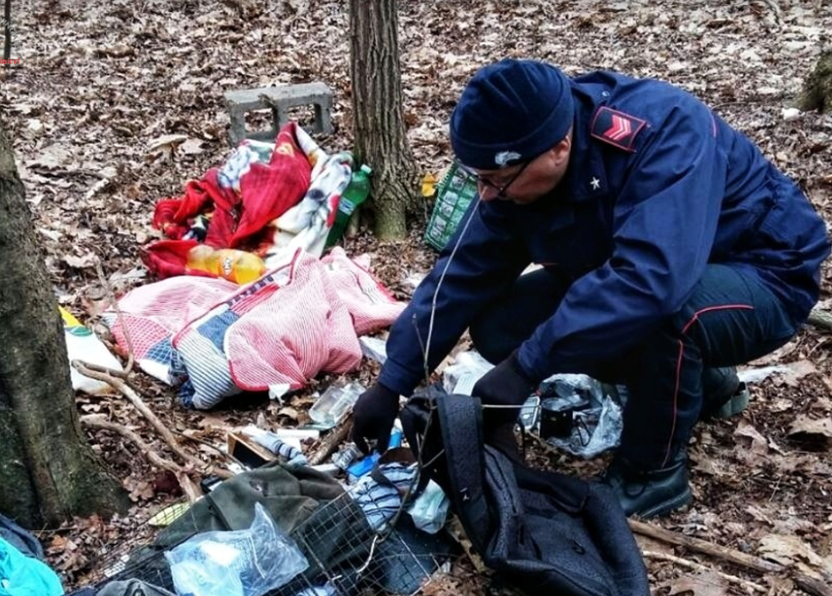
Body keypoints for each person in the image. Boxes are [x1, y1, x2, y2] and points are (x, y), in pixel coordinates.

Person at [351, 58, 831, 519]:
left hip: (765, 272)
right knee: (502, 326)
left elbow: (650, 280)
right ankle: (703, 385)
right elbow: (464, 271)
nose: (487, 195)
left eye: (497, 181)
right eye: (481, 180)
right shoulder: (521, 161)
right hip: (657, 271)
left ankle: (654, 473)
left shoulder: (663, 132)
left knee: (665, 316)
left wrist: (527, 368)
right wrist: (393, 380)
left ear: (559, 147)